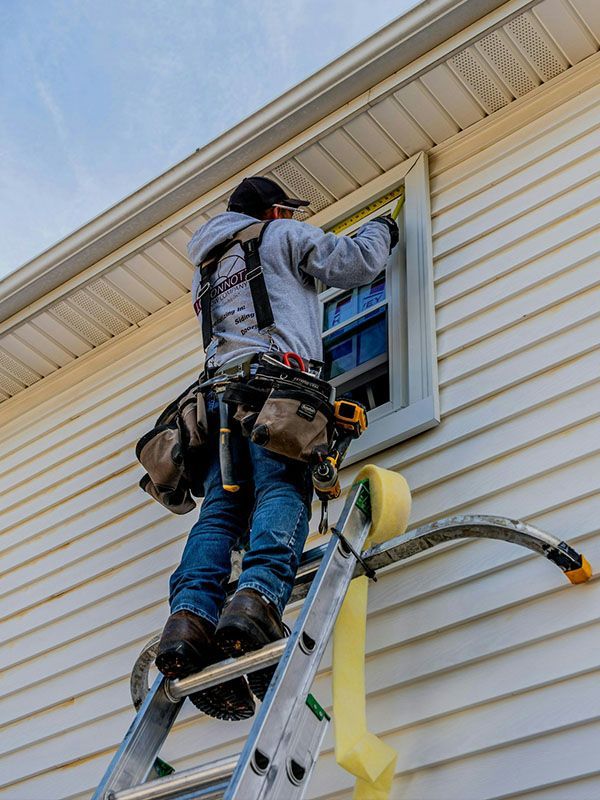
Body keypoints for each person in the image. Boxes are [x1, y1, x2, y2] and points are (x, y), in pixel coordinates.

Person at [155, 175, 398, 721]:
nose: (292, 219)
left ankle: (189, 618)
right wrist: (382, 228)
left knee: (219, 514)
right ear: (275, 212)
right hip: (274, 391)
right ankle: (258, 598)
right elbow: (357, 265)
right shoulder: (280, 237)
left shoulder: (206, 269)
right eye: (288, 211)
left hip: (215, 402)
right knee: (280, 490)